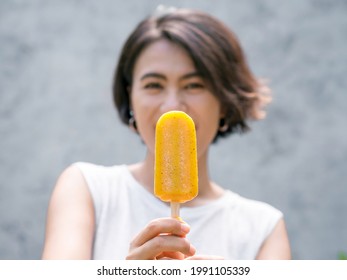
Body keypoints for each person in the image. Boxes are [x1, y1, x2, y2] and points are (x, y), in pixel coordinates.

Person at [42, 7, 291, 260]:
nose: (172, 106)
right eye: (154, 85)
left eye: (194, 85)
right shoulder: (87, 189)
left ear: (225, 101)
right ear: (131, 98)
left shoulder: (263, 228)